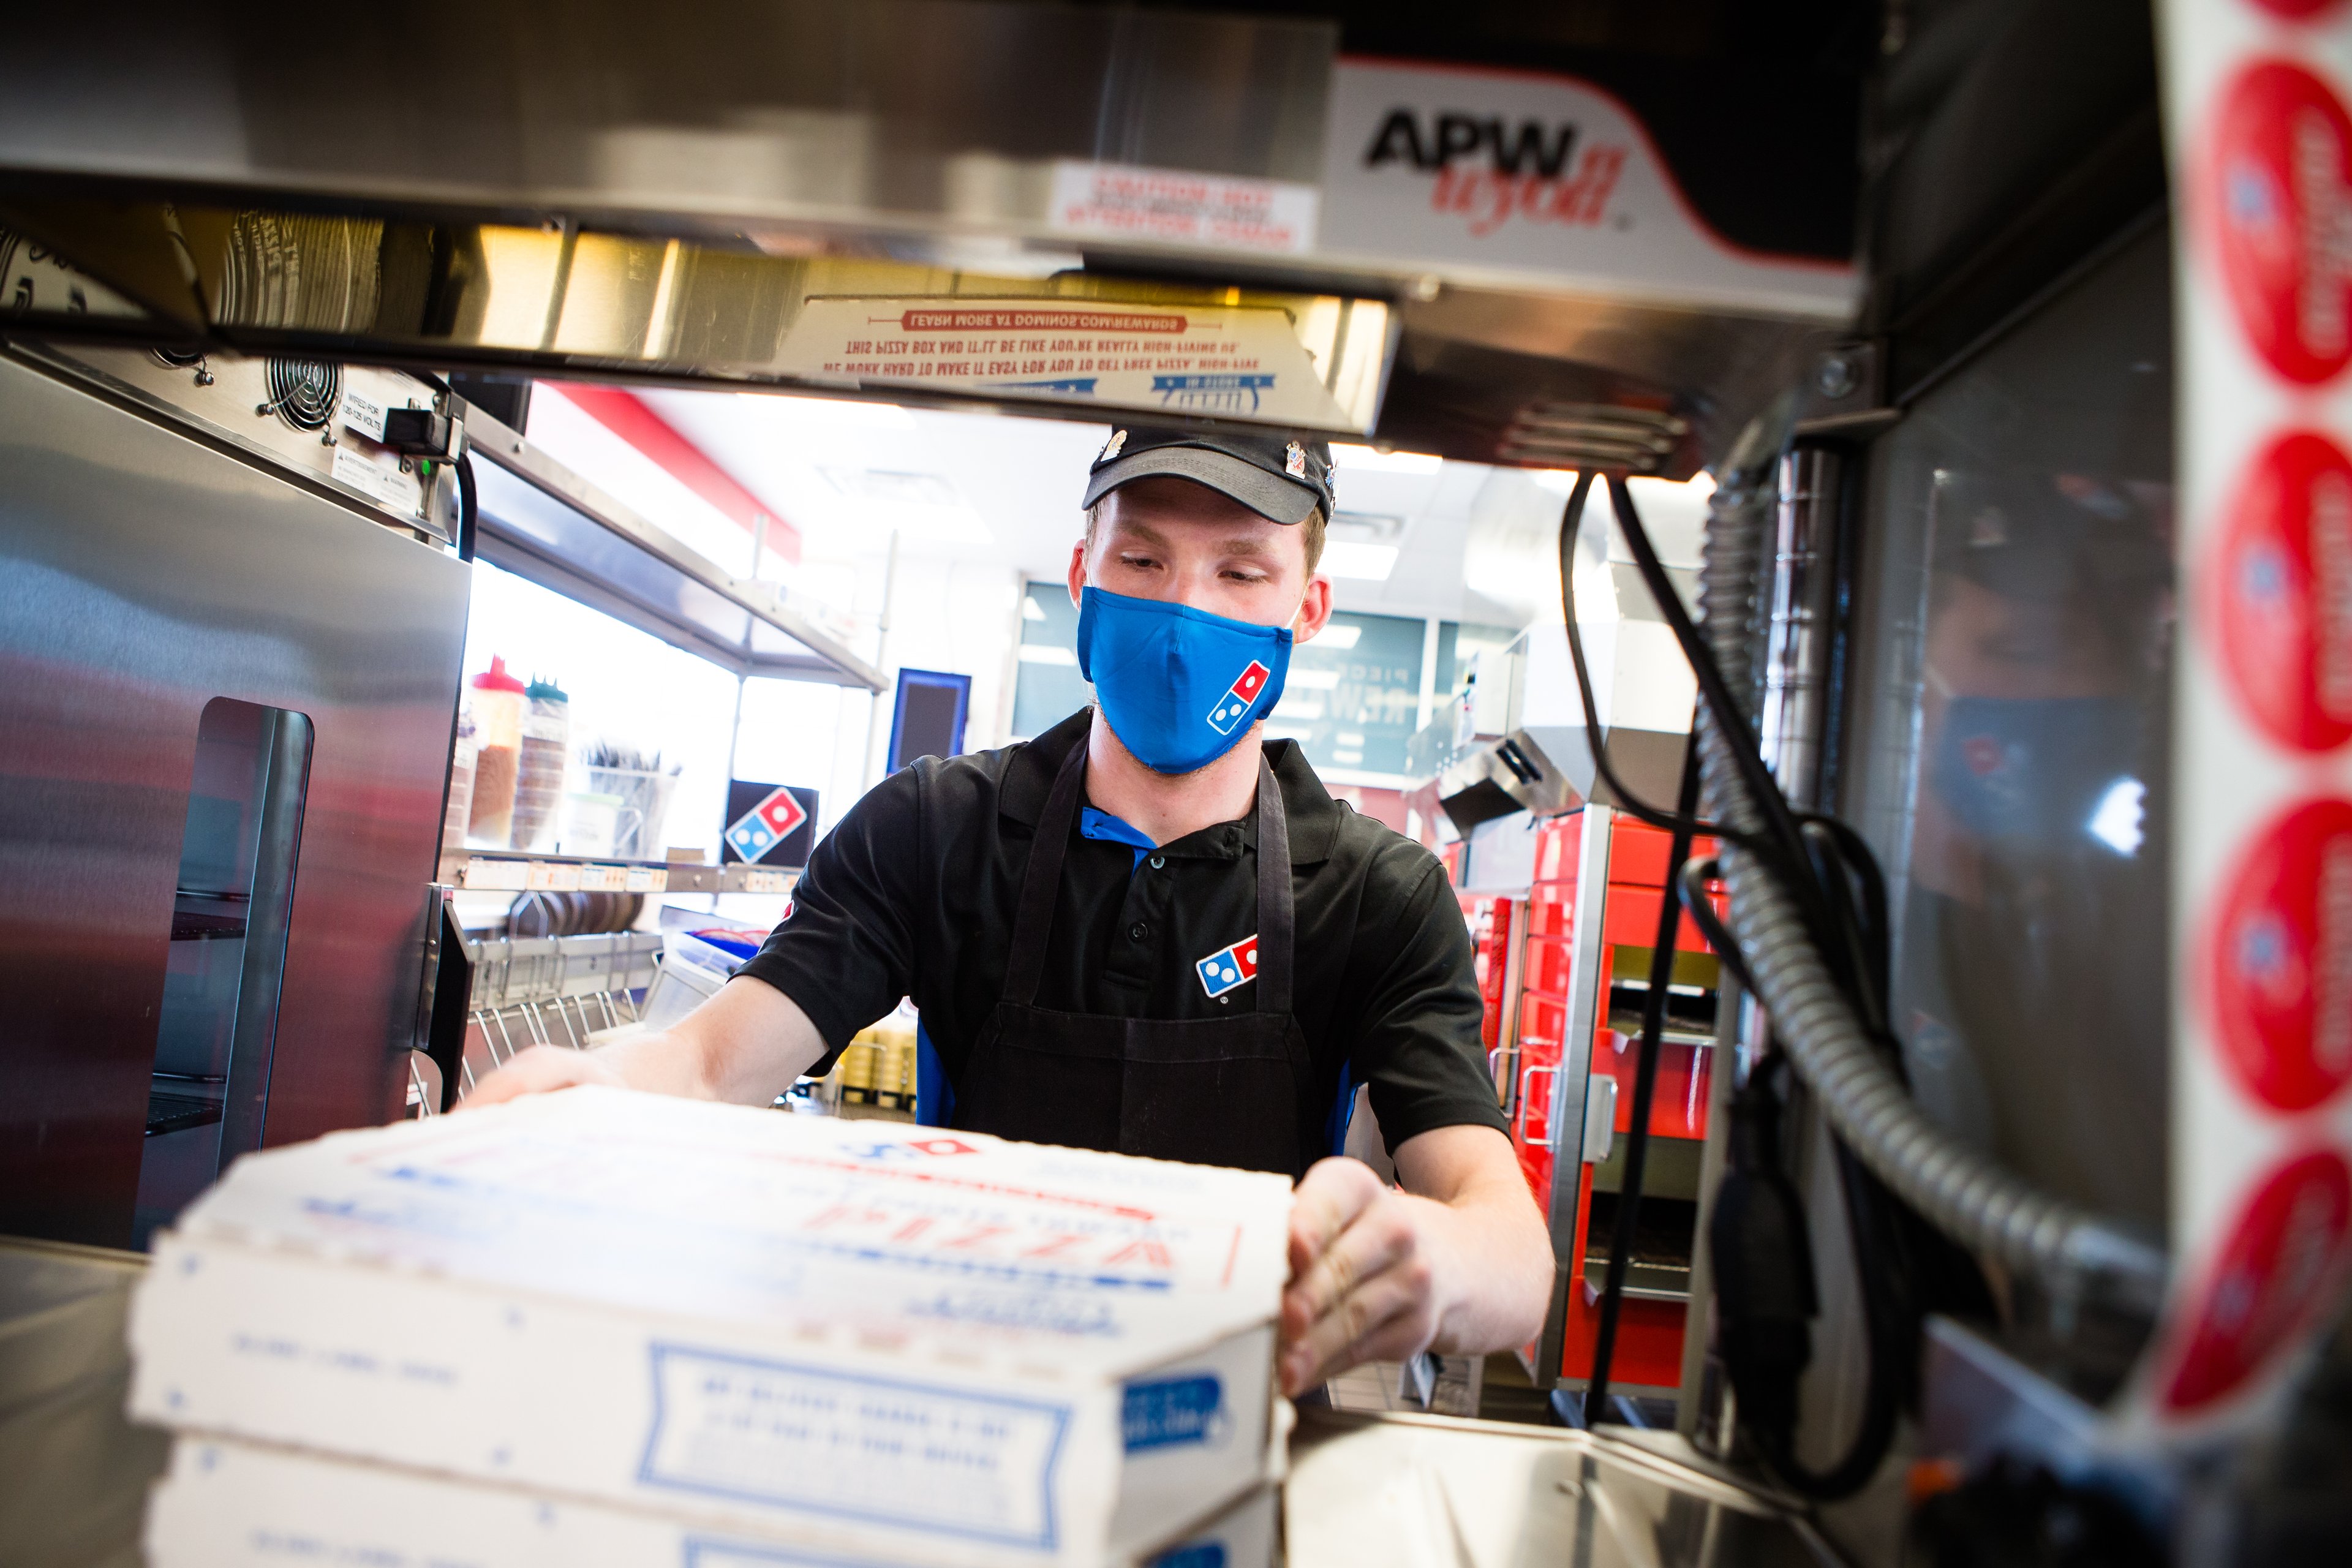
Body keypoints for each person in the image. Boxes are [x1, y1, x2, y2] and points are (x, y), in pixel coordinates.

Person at [469, 425, 1551, 1395]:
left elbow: (1513, 1255)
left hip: (1242, 1422)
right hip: (966, 1396)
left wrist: (1438, 1260)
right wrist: (604, 1083)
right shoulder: (935, 832)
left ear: (1304, 609)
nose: (1186, 614)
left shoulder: (1381, 894)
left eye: (1241, 571)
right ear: (1083, 575)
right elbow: (712, 1063)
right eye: (1144, 560)